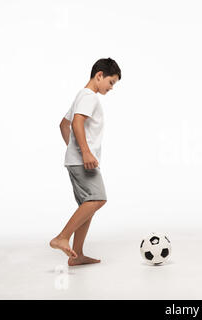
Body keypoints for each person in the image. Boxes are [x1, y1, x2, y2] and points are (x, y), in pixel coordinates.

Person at [50, 58, 121, 266]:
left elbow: (64, 124)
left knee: (87, 204)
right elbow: (77, 122)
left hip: (77, 160)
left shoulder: (81, 96)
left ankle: (77, 254)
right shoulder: (89, 96)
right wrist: (85, 152)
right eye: (111, 82)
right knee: (98, 199)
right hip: (84, 161)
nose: (111, 88)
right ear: (99, 75)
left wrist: (74, 149)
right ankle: (62, 237)